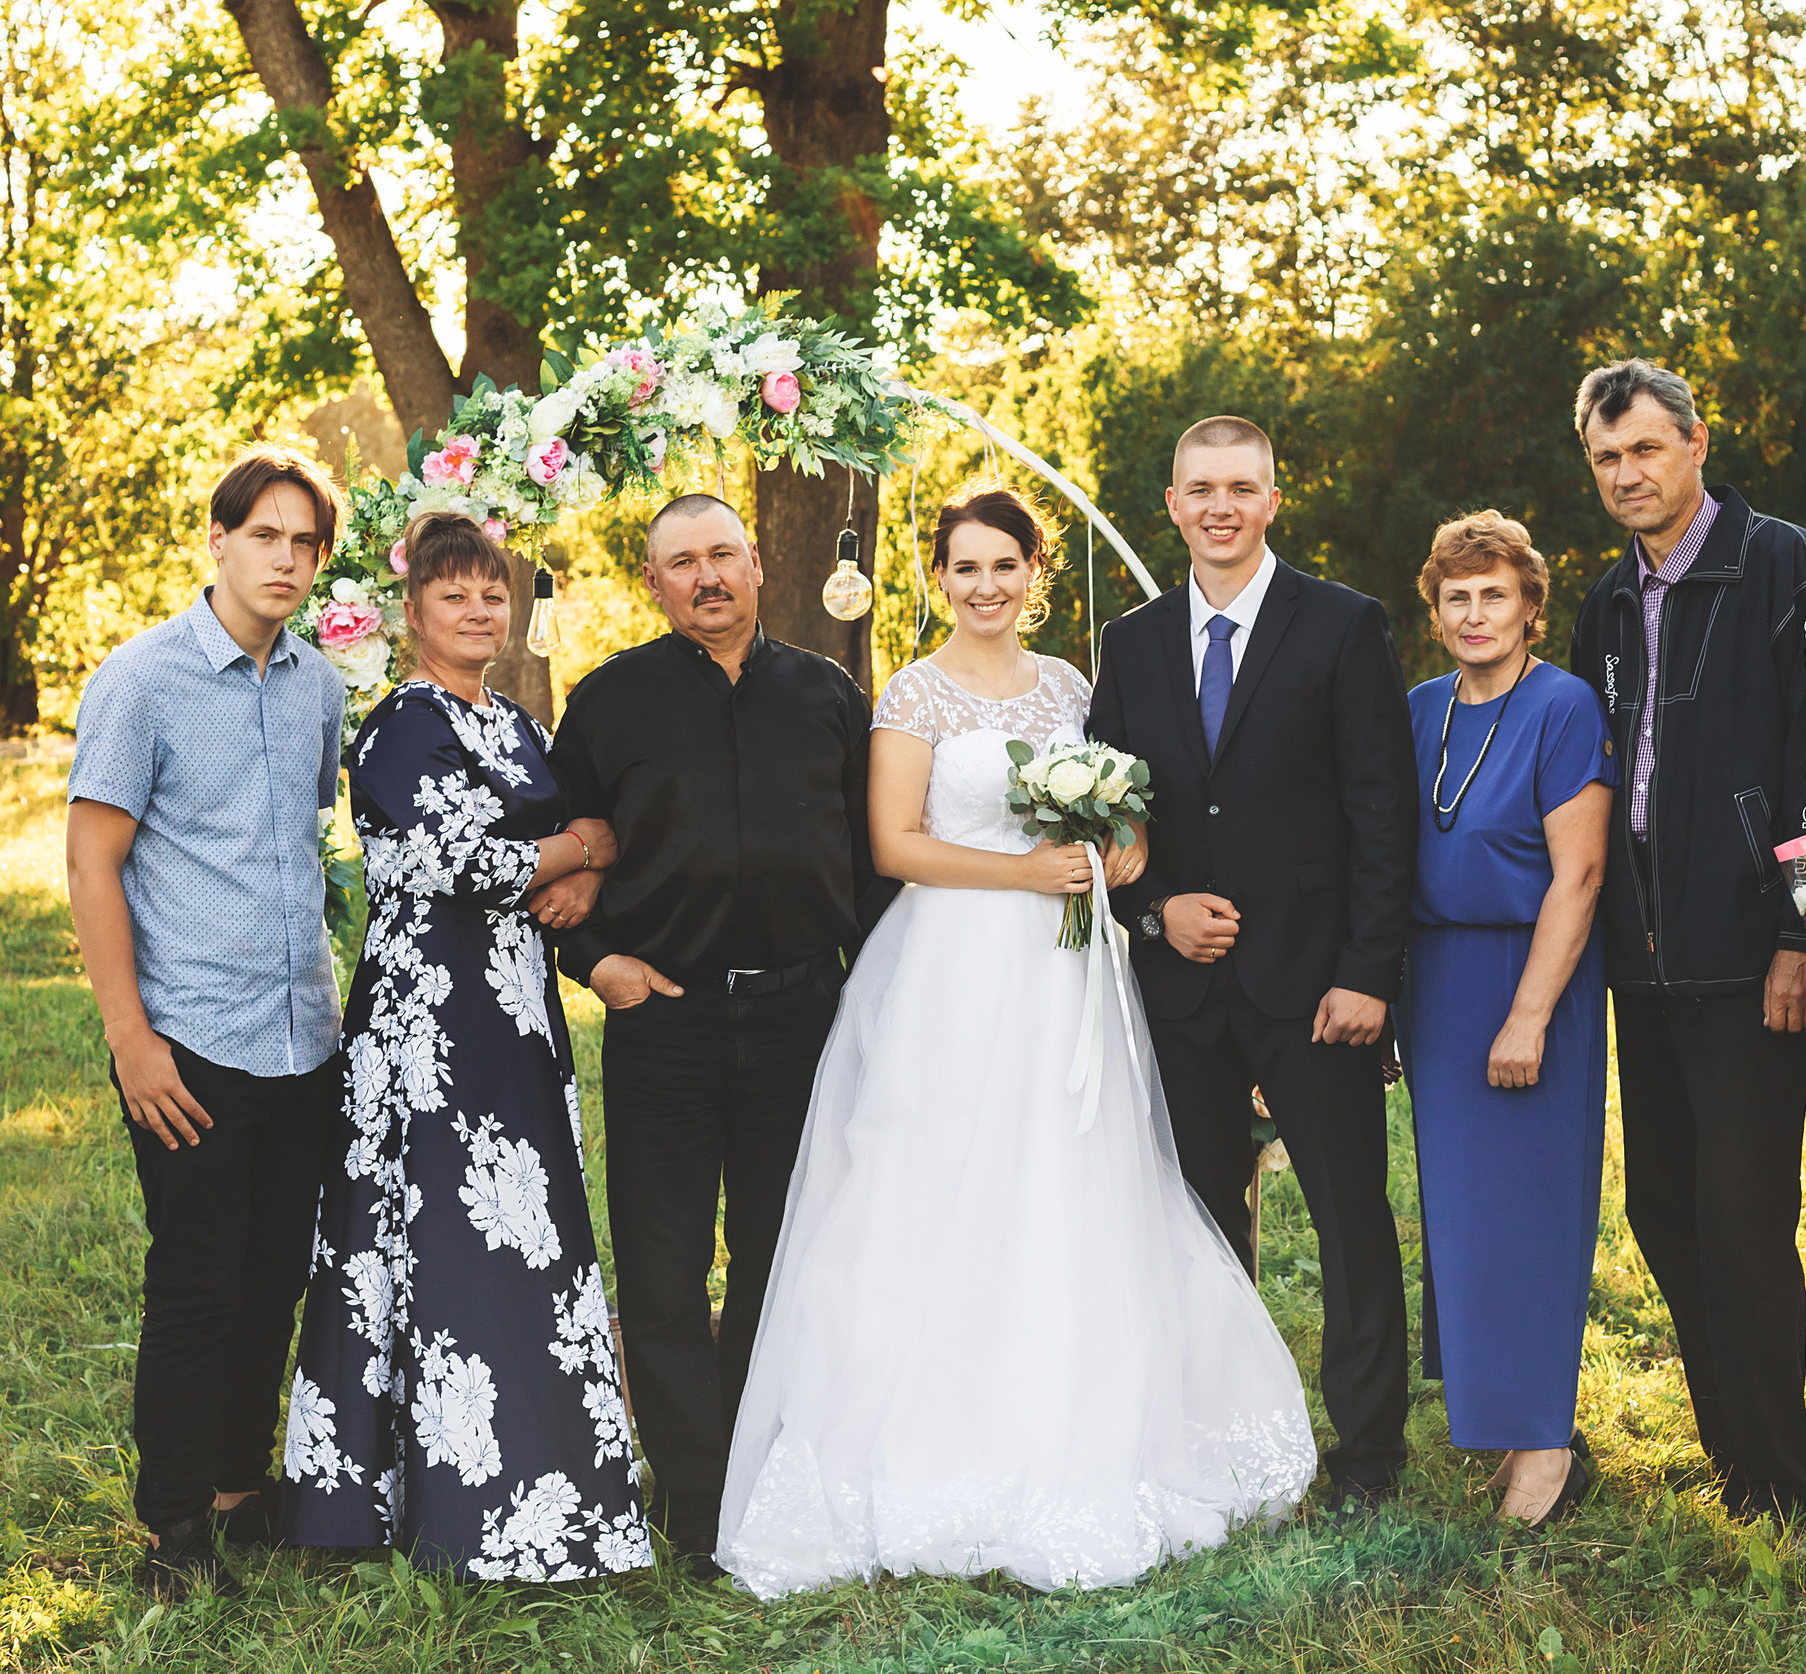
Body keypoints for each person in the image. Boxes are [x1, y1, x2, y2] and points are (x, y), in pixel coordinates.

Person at [716, 484, 1317, 1597]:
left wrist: (1120, 842)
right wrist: (1024, 872)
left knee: (1072, 1169)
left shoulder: (1072, 688)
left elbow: (1125, 811)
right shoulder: (911, 695)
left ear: (1032, 575)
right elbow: (896, 845)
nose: (984, 586)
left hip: (1065, 969)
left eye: (1004, 566)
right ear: (936, 579)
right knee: (940, 1176)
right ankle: (928, 1439)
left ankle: (1083, 1410)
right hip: (951, 967)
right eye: (964, 567)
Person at [278, 512, 649, 1580]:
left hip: (517, 1017)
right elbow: (459, 862)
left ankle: (542, 1485)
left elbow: (565, 852)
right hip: (426, 1032)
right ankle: (399, 1503)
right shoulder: (399, 724)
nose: (482, 611)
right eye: (456, 596)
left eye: (495, 594)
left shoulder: (523, 727)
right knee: (427, 1242)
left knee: (518, 1238)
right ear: (412, 613)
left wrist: (575, 866)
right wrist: (575, 846)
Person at [542, 494, 894, 1576]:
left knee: (779, 1261)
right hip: (667, 1020)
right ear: (652, 582)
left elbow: (876, 865)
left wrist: (879, 1001)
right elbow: (555, 857)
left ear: (754, 566)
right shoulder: (608, 702)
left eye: (723, 556)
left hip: (802, 1019)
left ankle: (760, 1468)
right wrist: (597, 961)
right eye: (681, 562)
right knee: (662, 1265)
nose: (707, 577)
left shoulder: (828, 695)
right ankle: (693, 1505)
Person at [1086, 415, 1419, 1512]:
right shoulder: (1129, 643)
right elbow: (1107, 816)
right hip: (1181, 989)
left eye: (1241, 486)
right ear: (1171, 505)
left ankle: (1366, 1456)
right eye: (1200, 488)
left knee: (1348, 1220)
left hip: (1318, 986)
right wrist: (1153, 908)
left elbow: (1383, 810)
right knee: (1198, 1221)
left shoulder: (1342, 624)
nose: (1219, 506)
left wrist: (1370, 972)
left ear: (1274, 498)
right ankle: (1221, 1445)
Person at [1566, 359, 1806, 1519]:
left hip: (1757, 955)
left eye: (1644, 449)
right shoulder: (1599, 600)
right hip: (1641, 954)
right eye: (1605, 459)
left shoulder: (1788, 564)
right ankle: (1733, 1448)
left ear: (1696, 443)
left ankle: (1779, 1481)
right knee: (1660, 1211)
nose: (1627, 474)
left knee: (1742, 1220)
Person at [66, 443, 350, 1597]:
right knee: (197, 1280)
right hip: (189, 1039)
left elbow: (307, 846)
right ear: (219, 541)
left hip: (302, 1034)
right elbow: (93, 867)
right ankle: (173, 1528)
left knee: (277, 1273)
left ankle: (240, 1489)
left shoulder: (320, 684)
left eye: (304, 543)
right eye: (265, 536)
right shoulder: (141, 681)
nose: (285, 559)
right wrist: (133, 1039)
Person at [1397, 512, 1613, 1526]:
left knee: (1530, 1215)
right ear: (1434, 612)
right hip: (1437, 981)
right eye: (1456, 597)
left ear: (1531, 605)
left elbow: (1580, 876)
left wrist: (1528, 1016)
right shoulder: (1418, 709)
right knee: (1462, 1220)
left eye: (1494, 594)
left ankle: (1545, 1446)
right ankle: (1497, 1419)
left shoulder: (1564, 707)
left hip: (1529, 976)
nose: (1474, 613)